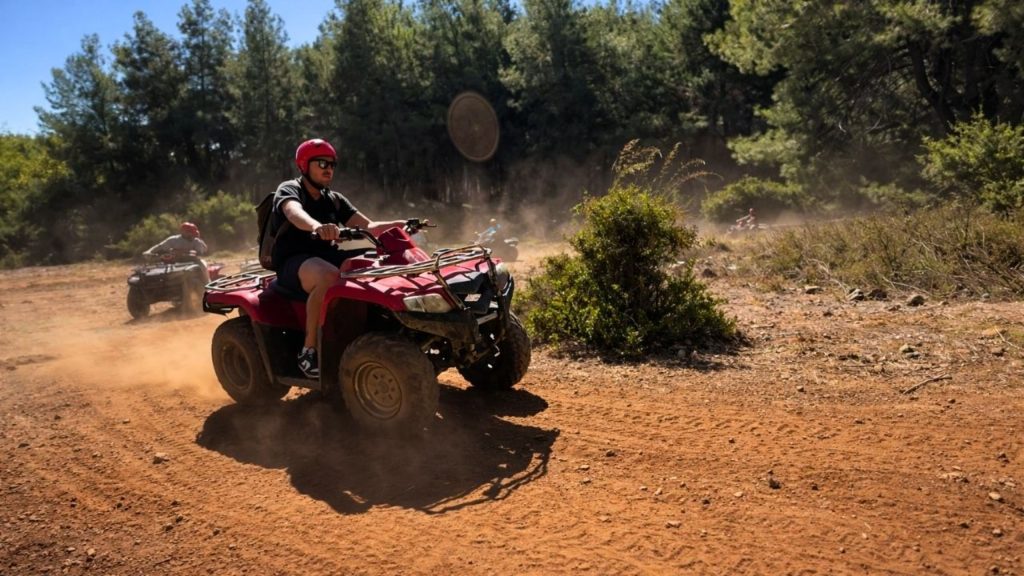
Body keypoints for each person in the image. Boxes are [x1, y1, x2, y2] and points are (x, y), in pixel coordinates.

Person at [272, 138, 407, 378]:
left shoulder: (334, 198)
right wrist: (317, 227)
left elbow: (369, 226)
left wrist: (402, 224)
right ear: (304, 165)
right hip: (293, 261)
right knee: (328, 275)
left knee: (371, 264)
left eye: (332, 164)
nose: (328, 168)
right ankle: (309, 350)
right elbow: (294, 213)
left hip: (327, 255)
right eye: (321, 163)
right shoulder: (290, 189)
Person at [143, 222, 210, 283]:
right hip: (175, 261)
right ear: (183, 232)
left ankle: (207, 283)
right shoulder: (174, 240)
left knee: (203, 266)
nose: (191, 235)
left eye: (192, 233)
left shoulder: (196, 241)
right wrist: (149, 251)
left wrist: (189, 252)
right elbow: (160, 246)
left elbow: (201, 251)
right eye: (189, 233)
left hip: (193, 261)